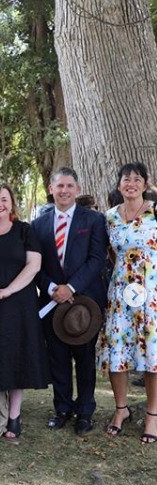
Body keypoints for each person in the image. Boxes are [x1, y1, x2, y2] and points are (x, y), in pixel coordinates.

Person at [31, 167, 108, 435]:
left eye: (69, 186)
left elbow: (97, 259)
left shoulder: (94, 220)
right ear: (51, 189)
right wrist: (52, 287)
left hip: (84, 301)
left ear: (77, 189)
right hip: (52, 302)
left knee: (84, 358)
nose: (64, 191)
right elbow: (34, 264)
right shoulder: (38, 224)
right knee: (58, 357)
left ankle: (85, 411)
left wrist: (71, 287)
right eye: (59, 186)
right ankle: (62, 408)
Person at [0, 183, 48, 438]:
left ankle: (14, 417)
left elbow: (33, 266)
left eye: (4, 199)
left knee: (18, 358)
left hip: (18, 304)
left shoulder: (24, 231)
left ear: (12, 203)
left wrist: (6, 291)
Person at [98, 162, 157, 443]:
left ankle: (152, 414)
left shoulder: (155, 212)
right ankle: (121, 409)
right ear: (119, 185)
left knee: (152, 356)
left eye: (137, 179)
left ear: (146, 183)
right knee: (116, 352)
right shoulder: (109, 217)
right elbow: (110, 253)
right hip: (121, 294)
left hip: (152, 296)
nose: (131, 184)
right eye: (126, 179)